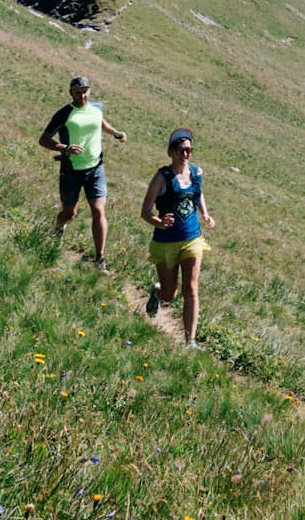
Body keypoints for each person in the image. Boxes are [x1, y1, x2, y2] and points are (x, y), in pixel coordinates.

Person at [40, 75, 126, 266]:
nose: (82, 96)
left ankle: (100, 258)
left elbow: (101, 122)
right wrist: (64, 148)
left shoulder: (97, 107)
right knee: (70, 213)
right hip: (71, 170)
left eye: (85, 92)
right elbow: (44, 139)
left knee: (98, 209)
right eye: (78, 92)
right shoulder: (64, 114)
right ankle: (58, 227)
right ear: (71, 93)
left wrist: (115, 133)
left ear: (90, 91)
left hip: (95, 168)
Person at [141, 128, 215, 349]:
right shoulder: (162, 177)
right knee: (169, 294)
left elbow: (198, 193)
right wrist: (159, 222)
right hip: (165, 242)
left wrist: (205, 213)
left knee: (191, 289)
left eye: (189, 150)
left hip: (192, 238)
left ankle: (190, 341)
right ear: (171, 152)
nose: (186, 155)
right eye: (182, 150)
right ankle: (156, 293)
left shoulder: (196, 173)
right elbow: (145, 212)